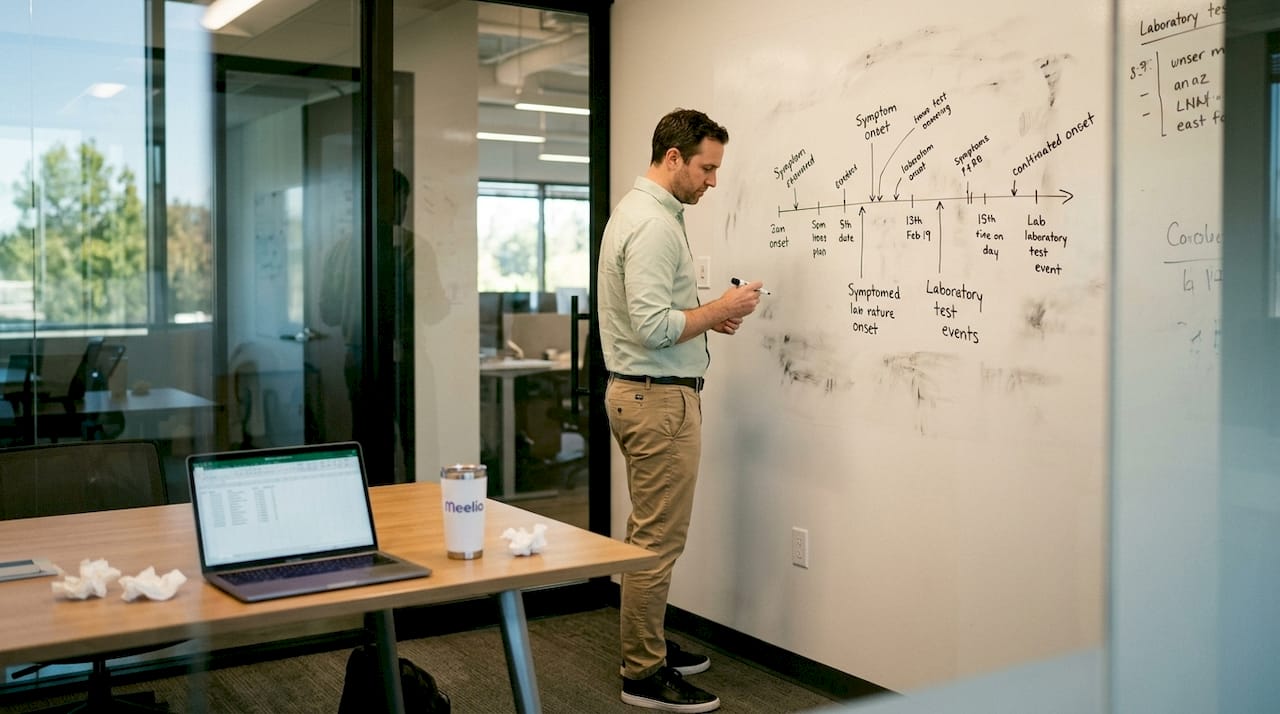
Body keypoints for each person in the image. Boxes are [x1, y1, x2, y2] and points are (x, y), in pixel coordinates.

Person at [599, 108, 763, 712]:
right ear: (674, 158)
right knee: (655, 542)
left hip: (648, 393)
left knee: (652, 534)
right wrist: (717, 309)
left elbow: (656, 315)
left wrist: (707, 321)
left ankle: (648, 645)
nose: (712, 182)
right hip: (656, 399)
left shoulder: (646, 213)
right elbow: (649, 326)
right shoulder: (653, 225)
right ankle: (641, 674)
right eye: (707, 168)